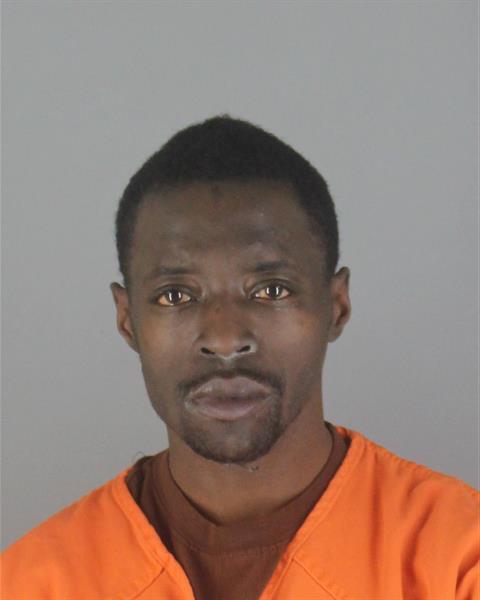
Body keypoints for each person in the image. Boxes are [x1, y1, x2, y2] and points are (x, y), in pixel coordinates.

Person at [2, 116, 478, 599]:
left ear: (336, 306)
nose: (225, 339)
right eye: (175, 295)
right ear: (127, 320)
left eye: (272, 290)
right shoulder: (33, 584)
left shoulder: (458, 559)